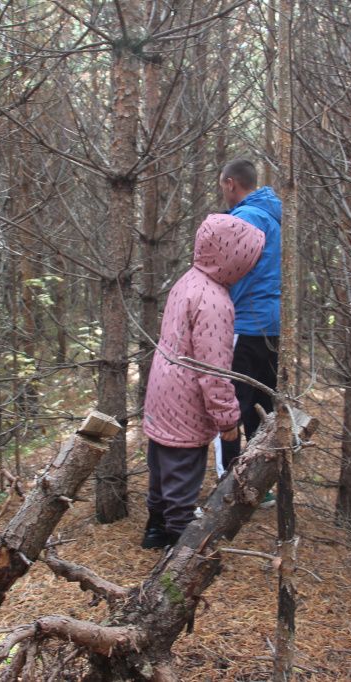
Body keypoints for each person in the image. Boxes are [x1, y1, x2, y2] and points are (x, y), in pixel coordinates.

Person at [141, 213, 266, 549]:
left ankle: (155, 528)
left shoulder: (188, 281)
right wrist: (228, 419)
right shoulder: (215, 303)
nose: (251, 267)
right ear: (232, 259)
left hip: (161, 392)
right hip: (186, 400)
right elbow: (214, 371)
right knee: (183, 472)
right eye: (248, 259)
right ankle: (179, 550)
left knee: (161, 465)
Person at [213, 159, 282, 484]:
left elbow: (222, 271)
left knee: (228, 407)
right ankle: (257, 484)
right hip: (273, 326)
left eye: (221, 185)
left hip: (244, 324)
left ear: (230, 183)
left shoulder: (244, 219)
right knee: (262, 407)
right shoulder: (274, 217)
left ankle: (229, 483)